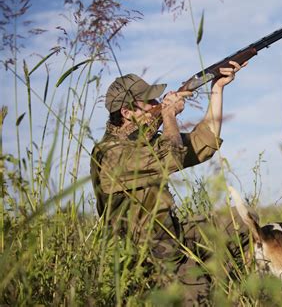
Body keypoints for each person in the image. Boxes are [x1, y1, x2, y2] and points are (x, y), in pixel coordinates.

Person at [90, 61, 247, 304]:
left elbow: (205, 143)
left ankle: (234, 283)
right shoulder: (110, 153)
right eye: (150, 102)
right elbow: (171, 157)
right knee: (200, 294)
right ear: (127, 112)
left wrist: (217, 89)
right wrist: (168, 115)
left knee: (244, 221)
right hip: (148, 253)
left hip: (173, 234)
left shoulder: (145, 142)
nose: (157, 104)